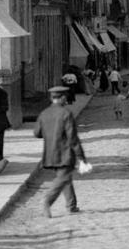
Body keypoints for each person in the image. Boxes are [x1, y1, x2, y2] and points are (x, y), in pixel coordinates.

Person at [34, 86, 88, 218]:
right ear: (62, 97)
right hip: (64, 152)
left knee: (65, 177)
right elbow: (72, 138)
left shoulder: (44, 113)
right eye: (65, 97)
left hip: (50, 152)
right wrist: (81, 157)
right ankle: (47, 200)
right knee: (63, 177)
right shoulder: (65, 113)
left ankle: (71, 205)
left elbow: (37, 133)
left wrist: (50, 133)